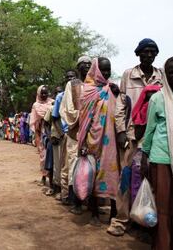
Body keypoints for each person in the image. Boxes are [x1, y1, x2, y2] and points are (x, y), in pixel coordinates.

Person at [108, 38, 163, 236]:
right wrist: (121, 131)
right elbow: (122, 104)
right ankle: (122, 220)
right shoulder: (128, 75)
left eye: (152, 52)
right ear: (138, 54)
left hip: (155, 136)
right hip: (133, 136)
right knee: (127, 177)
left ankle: (146, 220)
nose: (149, 55)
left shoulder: (161, 76)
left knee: (151, 178)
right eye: (145, 52)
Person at [141, 57, 173, 249]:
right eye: (172, 72)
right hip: (162, 158)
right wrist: (144, 156)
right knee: (163, 208)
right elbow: (150, 130)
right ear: (165, 74)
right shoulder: (158, 98)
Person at [77, 57, 118, 226]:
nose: (106, 74)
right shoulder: (87, 90)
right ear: (96, 70)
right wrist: (84, 143)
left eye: (108, 70)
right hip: (92, 139)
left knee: (112, 173)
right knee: (92, 175)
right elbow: (84, 119)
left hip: (111, 141)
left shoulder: (112, 88)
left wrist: (117, 93)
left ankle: (114, 213)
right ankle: (93, 212)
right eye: (103, 70)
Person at [59, 56, 91, 206]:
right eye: (83, 64)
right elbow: (67, 108)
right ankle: (74, 200)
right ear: (78, 67)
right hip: (75, 133)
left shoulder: (94, 85)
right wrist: (84, 116)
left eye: (89, 64)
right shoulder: (72, 85)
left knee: (88, 166)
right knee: (73, 164)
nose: (87, 66)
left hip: (91, 134)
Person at [50, 70, 77, 199]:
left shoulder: (80, 92)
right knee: (65, 166)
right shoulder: (60, 96)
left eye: (73, 77)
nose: (71, 79)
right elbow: (54, 117)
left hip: (79, 135)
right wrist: (61, 133)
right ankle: (65, 194)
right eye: (68, 77)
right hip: (67, 134)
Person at [30, 85, 54, 185]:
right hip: (42, 132)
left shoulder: (52, 102)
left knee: (53, 156)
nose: (44, 95)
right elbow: (35, 123)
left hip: (53, 131)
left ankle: (53, 180)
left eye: (46, 93)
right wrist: (37, 138)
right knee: (43, 156)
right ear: (39, 94)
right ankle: (44, 176)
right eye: (42, 93)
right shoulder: (36, 105)